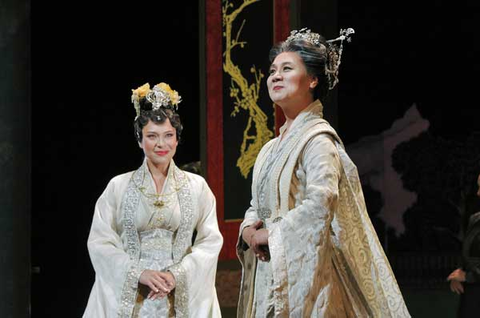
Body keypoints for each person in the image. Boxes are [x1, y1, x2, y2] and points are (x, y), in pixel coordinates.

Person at [236, 28, 411, 317]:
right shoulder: (269, 149)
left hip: (311, 279)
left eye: (287, 69)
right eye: (272, 70)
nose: (275, 76)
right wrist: (248, 229)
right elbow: (258, 204)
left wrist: (272, 234)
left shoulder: (318, 140)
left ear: (313, 80)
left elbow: (320, 205)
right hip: (271, 273)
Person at [83, 82, 223, 317]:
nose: (161, 144)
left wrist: (176, 274)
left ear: (177, 139)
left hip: (178, 293)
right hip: (133, 295)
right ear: (140, 140)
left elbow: (210, 241)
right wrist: (138, 273)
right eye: (152, 136)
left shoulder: (196, 186)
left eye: (168, 135)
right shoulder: (119, 186)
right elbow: (100, 241)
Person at [447, 173, 480, 317]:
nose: (478, 193)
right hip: (472, 295)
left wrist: (467, 276)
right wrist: (458, 274)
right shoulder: (475, 219)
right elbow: (468, 252)